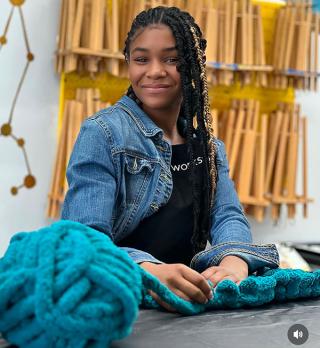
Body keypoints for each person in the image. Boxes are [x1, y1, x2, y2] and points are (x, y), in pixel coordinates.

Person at [61, 6, 279, 312]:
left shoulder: (209, 149)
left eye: (171, 59)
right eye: (141, 59)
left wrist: (235, 262)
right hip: (121, 301)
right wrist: (149, 272)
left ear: (193, 66)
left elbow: (228, 217)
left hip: (186, 305)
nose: (154, 71)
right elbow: (82, 238)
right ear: (128, 65)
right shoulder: (103, 134)